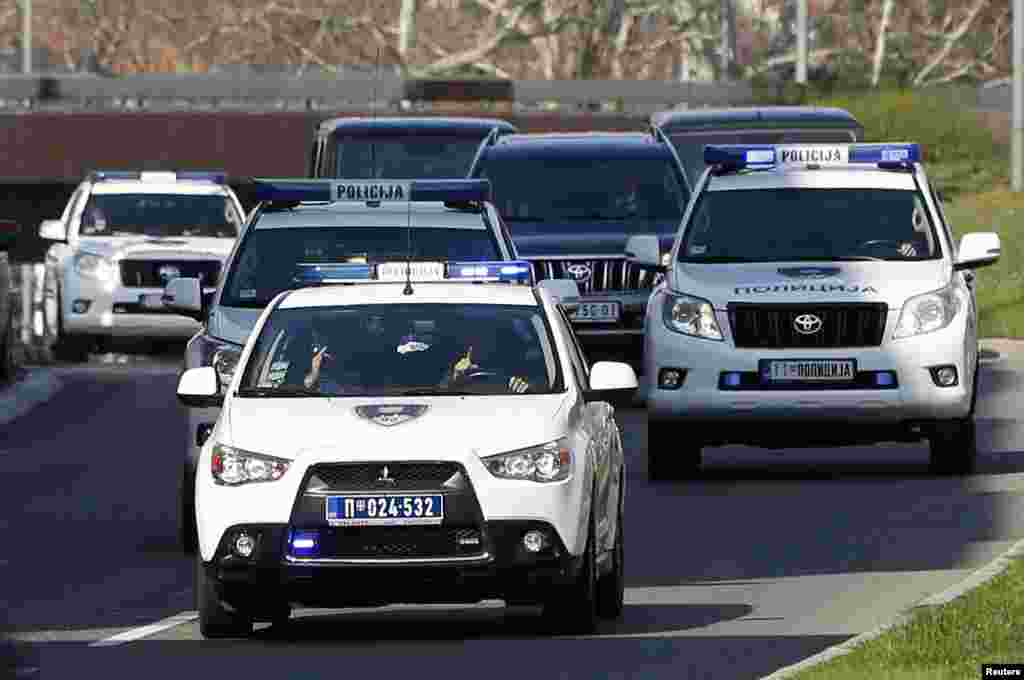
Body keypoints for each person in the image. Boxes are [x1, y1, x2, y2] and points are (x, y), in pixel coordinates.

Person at [441, 325, 533, 394]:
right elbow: (439, 394)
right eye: (475, 343)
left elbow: (535, 395)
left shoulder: (519, 376)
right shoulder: (457, 371)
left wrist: (524, 389)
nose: (473, 349)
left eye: (487, 343)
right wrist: (456, 376)